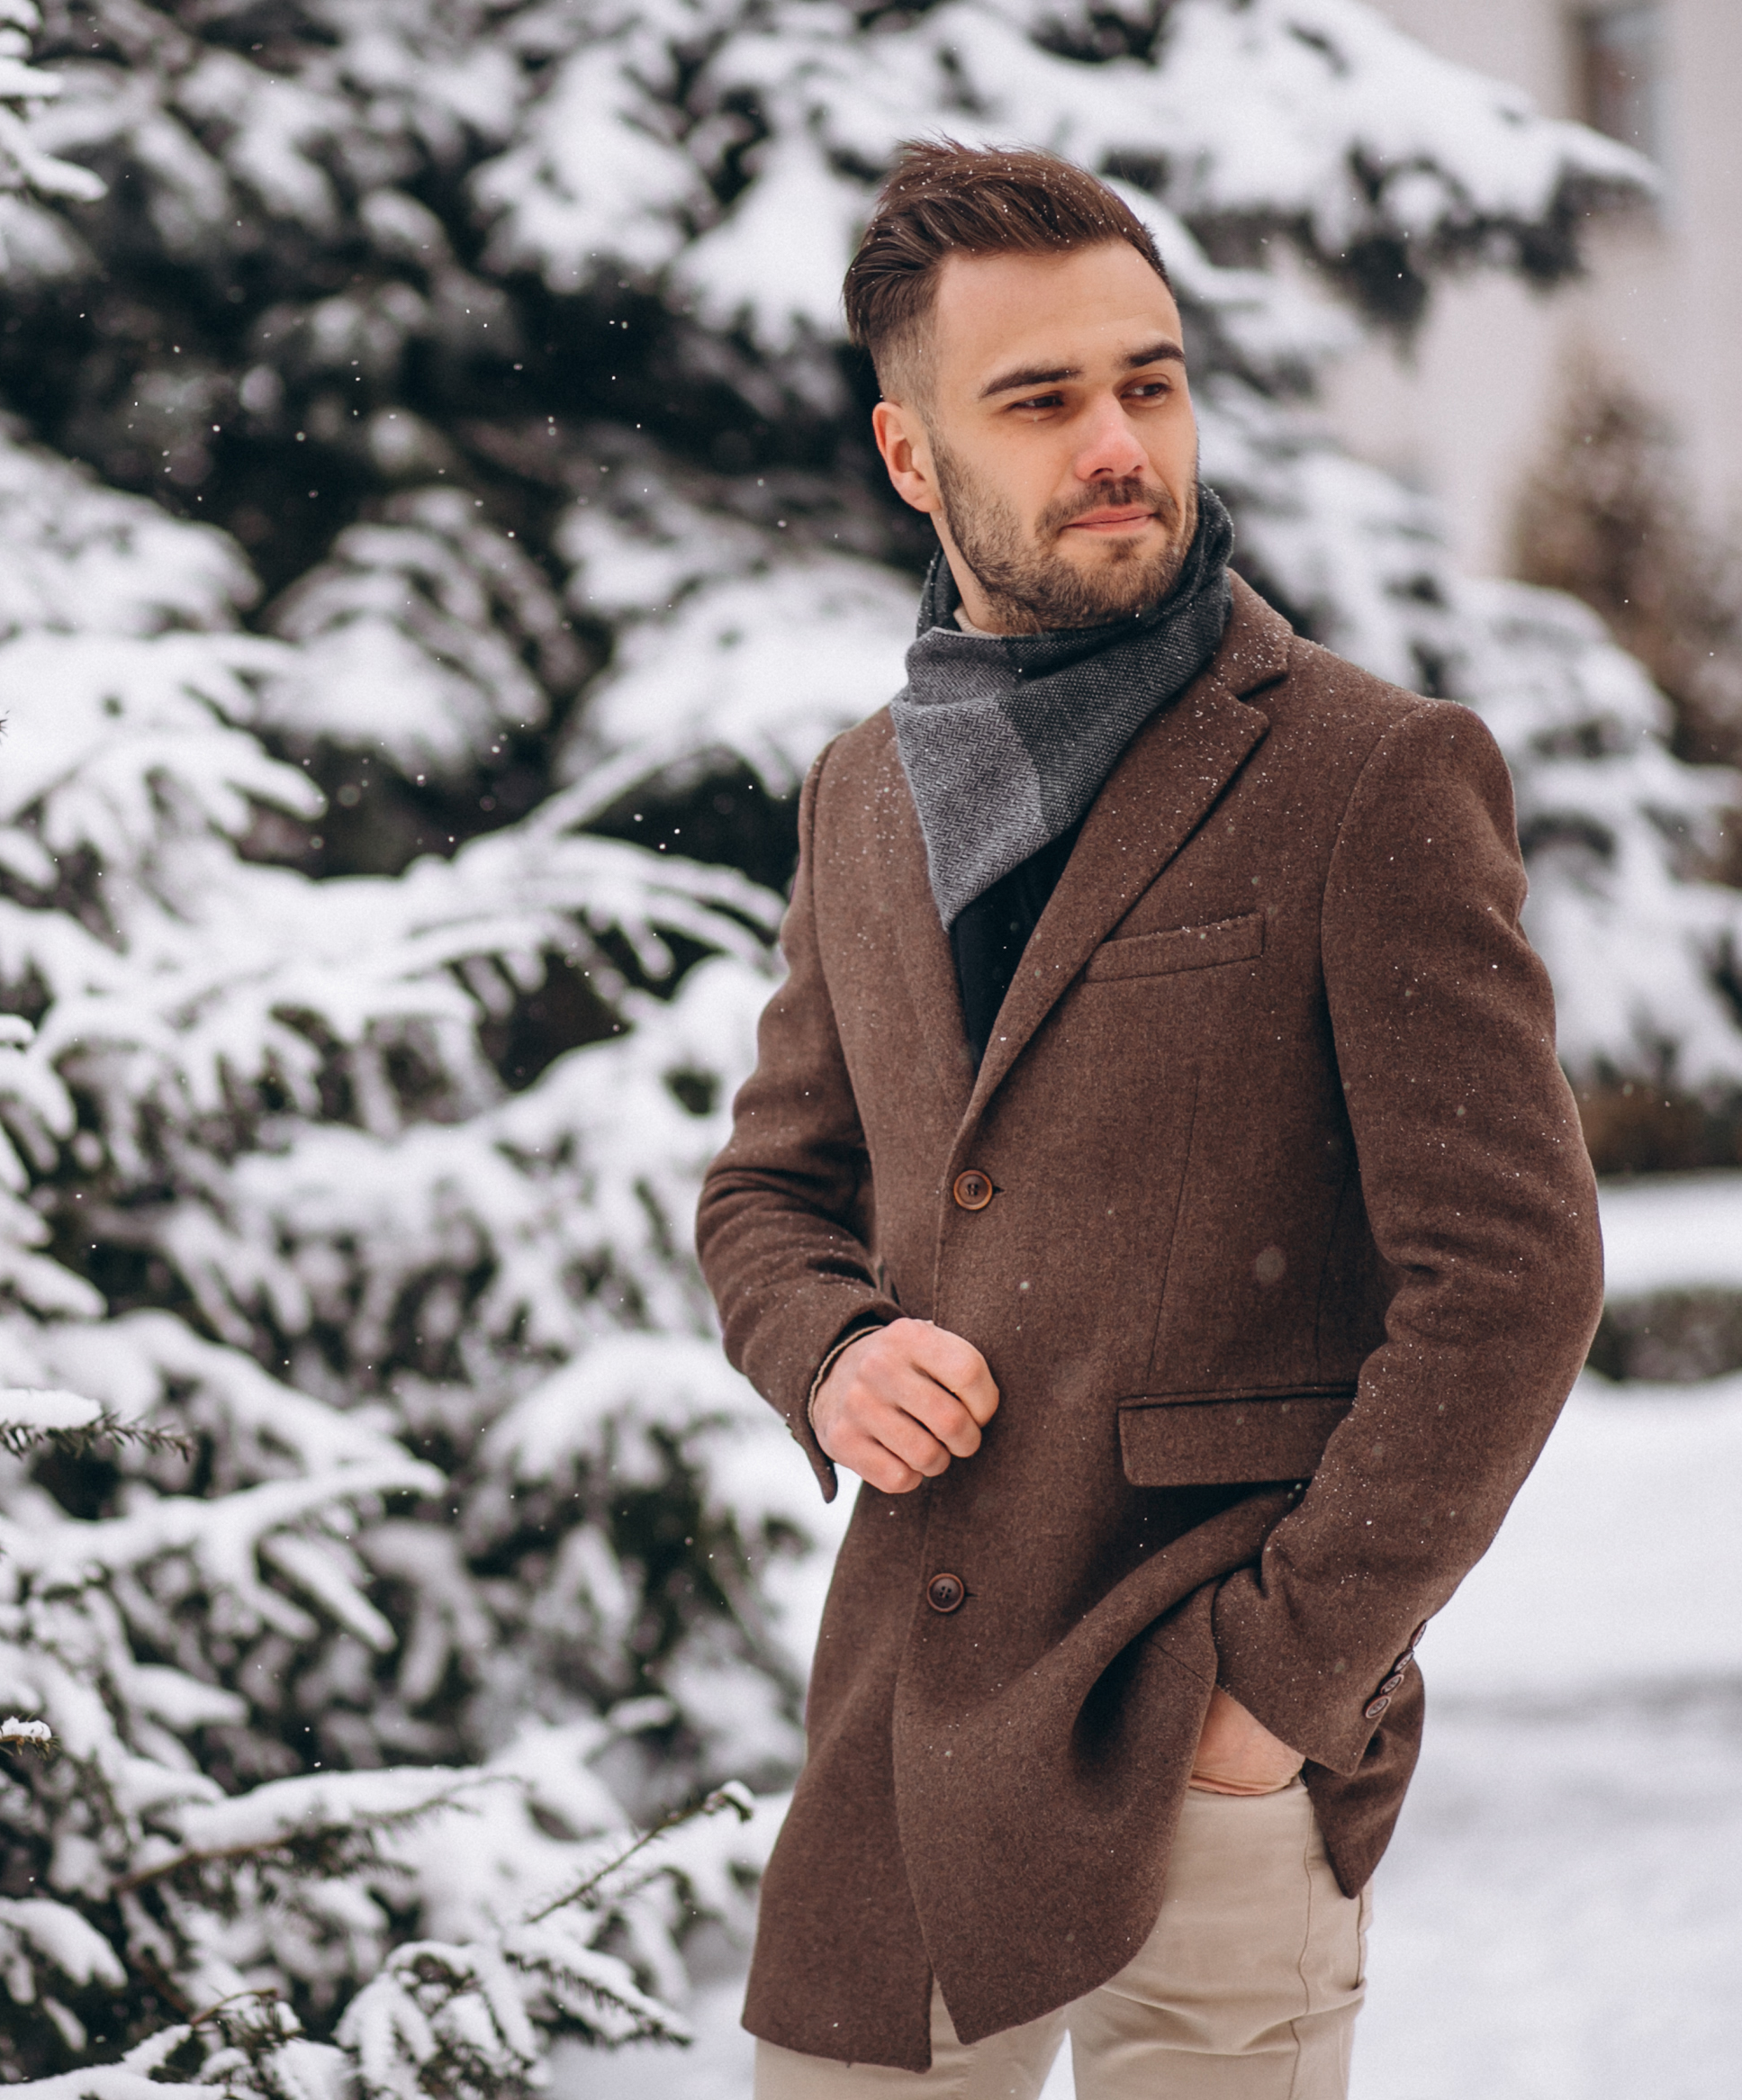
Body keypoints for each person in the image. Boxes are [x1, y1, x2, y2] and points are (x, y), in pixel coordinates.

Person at [694, 140, 1605, 2099]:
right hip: (901, 1729)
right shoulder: (861, 797)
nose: (1117, 440)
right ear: (911, 457)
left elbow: (1510, 1276)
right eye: (1039, 400)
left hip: (1205, 1723)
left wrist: (1280, 1684)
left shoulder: (1368, 774)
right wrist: (832, 1352)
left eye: (1149, 380)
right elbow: (773, 1190)